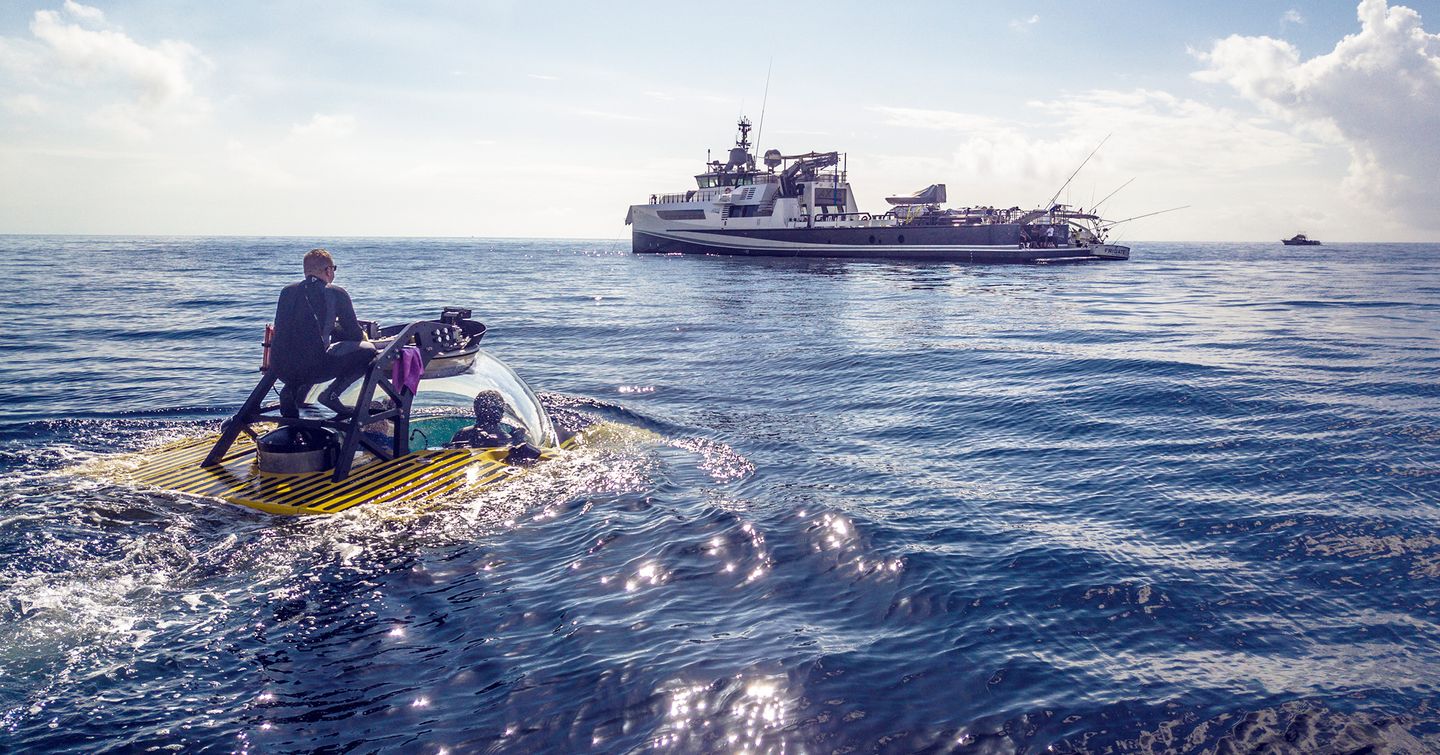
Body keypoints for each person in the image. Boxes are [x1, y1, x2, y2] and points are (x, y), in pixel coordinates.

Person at [271, 248, 376, 417]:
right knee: (368, 351)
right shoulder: (335, 292)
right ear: (328, 270)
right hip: (313, 369)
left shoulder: (286, 292)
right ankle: (331, 395)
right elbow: (354, 335)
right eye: (333, 269)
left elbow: (296, 328)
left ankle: (290, 391)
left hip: (280, 368)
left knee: (305, 353)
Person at [448, 390, 541, 464]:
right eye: (488, 408)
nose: (494, 412)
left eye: (497, 408)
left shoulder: (463, 433)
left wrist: (518, 442)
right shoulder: (464, 434)